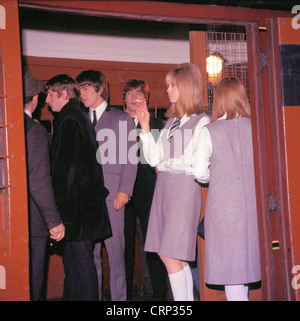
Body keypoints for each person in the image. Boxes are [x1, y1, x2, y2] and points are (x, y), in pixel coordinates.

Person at [136, 63, 210, 301]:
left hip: (183, 192)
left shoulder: (202, 122)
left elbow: (190, 164)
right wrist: (145, 128)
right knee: (174, 256)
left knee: (170, 255)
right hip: (164, 192)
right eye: (168, 85)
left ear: (187, 87)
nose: (168, 90)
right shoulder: (170, 123)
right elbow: (153, 159)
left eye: (173, 85)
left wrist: (164, 166)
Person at [193, 77, 261, 301]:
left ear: (218, 100)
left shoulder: (209, 131)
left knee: (232, 271)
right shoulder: (258, 128)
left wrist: (220, 175)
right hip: (254, 207)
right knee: (246, 267)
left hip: (223, 208)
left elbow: (199, 172)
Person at [45, 74, 111, 301]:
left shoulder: (70, 119)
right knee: (75, 268)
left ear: (63, 94)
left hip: (78, 213)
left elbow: (69, 173)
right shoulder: (74, 116)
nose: (47, 100)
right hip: (82, 211)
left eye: (50, 94)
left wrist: (60, 216)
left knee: (80, 270)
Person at [76, 70, 137, 301]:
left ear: (100, 89)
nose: (81, 94)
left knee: (116, 255)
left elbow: (131, 159)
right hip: (88, 198)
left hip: (114, 196)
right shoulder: (79, 119)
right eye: (79, 89)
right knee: (91, 256)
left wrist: (125, 190)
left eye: (86, 88)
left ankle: (119, 302)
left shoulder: (122, 118)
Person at [123, 79, 168, 300]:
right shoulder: (115, 123)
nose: (133, 97)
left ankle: (160, 296)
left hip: (149, 190)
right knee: (124, 245)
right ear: (123, 98)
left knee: (153, 242)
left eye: (138, 93)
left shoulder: (158, 124)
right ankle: (125, 297)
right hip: (122, 192)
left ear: (146, 98)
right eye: (129, 93)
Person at [23, 66, 65, 301]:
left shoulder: (8, 127)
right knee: (33, 286)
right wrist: (54, 222)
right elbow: (39, 181)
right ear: (35, 98)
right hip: (34, 223)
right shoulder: (35, 131)